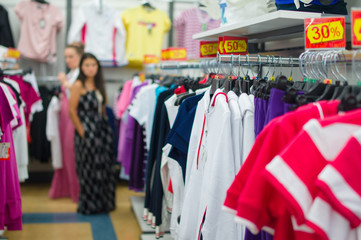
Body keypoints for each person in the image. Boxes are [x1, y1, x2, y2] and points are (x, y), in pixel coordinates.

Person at [69, 52, 116, 214]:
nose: (90, 68)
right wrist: (82, 132)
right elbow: (71, 111)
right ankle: (90, 205)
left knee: (104, 168)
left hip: (102, 132)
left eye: (93, 65)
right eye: (87, 65)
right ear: (81, 67)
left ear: (98, 67)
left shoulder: (99, 85)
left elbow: (102, 108)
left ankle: (103, 203)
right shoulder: (78, 86)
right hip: (87, 132)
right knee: (88, 169)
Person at [49, 43, 84, 202]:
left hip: (72, 117)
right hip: (64, 118)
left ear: (79, 57)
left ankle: (76, 190)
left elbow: (77, 95)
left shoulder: (79, 75)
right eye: (66, 57)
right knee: (64, 152)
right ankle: (65, 189)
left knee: (71, 153)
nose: (68, 60)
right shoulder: (72, 73)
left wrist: (64, 83)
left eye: (71, 56)